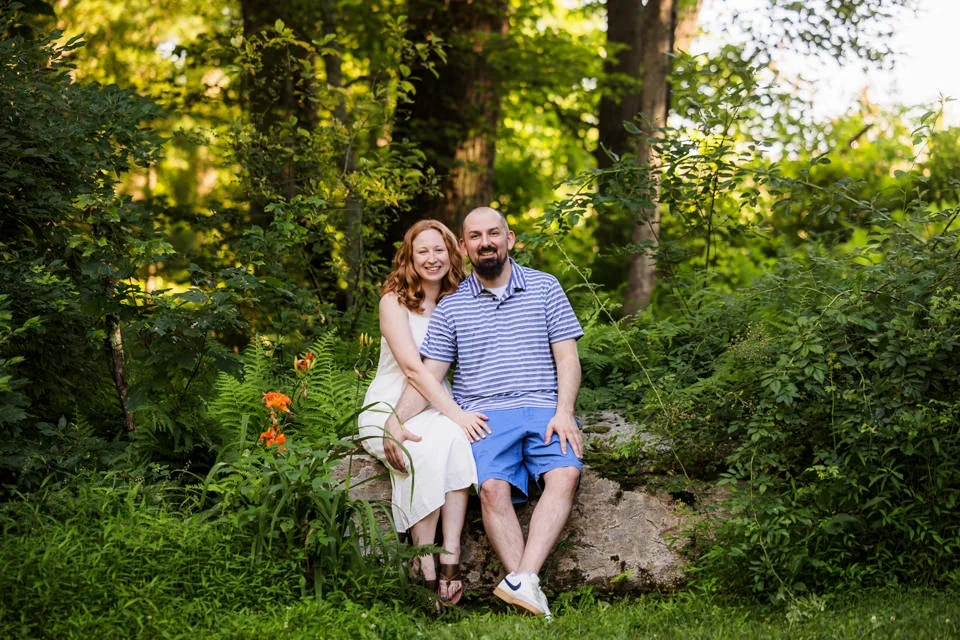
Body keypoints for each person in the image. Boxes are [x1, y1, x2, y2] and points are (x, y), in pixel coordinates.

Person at [385, 206, 584, 618]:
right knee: (493, 489)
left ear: (510, 239)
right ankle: (528, 588)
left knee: (565, 473)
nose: (485, 242)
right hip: (486, 417)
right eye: (475, 236)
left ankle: (523, 582)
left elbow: (567, 359)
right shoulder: (453, 308)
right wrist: (395, 419)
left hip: (546, 408)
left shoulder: (546, 288)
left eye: (494, 233)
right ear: (465, 246)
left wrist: (564, 411)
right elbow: (428, 375)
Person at [357, 219, 490, 606]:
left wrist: (457, 415)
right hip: (390, 406)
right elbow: (414, 370)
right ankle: (425, 563)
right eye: (422, 252)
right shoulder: (393, 301)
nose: (432, 259)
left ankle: (450, 557)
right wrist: (456, 413)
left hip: (439, 406)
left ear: (453, 253)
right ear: (409, 259)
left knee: (454, 441)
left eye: (439, 250)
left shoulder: (463, 299)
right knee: (429, 445)